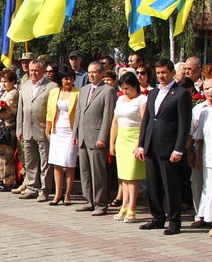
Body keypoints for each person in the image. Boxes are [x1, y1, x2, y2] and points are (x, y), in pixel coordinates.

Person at [136, 59, 191, 235]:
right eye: (158, 73)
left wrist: (179, 149)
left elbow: (184, 124)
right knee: (153, 185)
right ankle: (157, 217)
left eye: (164, 72)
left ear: (173, 73)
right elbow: (146, 121)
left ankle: (174, 221)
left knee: (170, 186)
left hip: (169, 147)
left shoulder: (181, 94)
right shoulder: (152, 94)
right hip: (151, 146)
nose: (161, 76)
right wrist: (141, 145)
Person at [74, 61, 117, 215]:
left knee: (98, 172)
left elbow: (108, 115)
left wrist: (103, 137)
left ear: (101, 73)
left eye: (94, 72)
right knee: (85, 171)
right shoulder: (83, 90)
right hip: (83, 136)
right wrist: (75, 134)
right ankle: (89, 200)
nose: (91, 75)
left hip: (97, 136)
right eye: (89, 72)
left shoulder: (108, 91)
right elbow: (79, 113)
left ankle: (101, 203)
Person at [16, 60, 58, 201]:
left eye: (36, 70)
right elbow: (21, 110)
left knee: (45, 162)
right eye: (31, 70)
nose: (33, 73)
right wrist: (19, 128)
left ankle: (45, 189)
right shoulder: (25, 86)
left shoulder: (51, 87)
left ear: (43, 71)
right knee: (30, 161)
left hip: (43, 130)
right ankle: (32, 187)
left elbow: (53, 110)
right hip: (27, 129)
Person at [110, 72, 147, 223]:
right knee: (123, 176)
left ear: (135, 86)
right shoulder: (120, 99)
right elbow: (115, 122)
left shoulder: (142, 100)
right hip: (122, 139)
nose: (126, 91)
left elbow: (145, 122)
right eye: (123, 88)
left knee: (132, 175)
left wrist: (140, 143)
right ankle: (124, 205)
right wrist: (112, 143)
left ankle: (132, 206)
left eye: (128, 88)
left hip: (135, 137)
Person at [45, 66, 79, 205]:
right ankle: (58, 193)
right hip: (57, 130)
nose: (68, 81)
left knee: (70, 164)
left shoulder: (78, 92)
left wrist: (76, 133)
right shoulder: (54, 92)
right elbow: (49, 111)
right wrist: (48, 129)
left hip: (70, 131)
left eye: (70, 78)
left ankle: (68, 195)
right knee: (57, 163)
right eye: (65, 78)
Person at [0, 70, 19, 192]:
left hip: (7, 127)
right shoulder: (4, 92)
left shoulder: (13, 93)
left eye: (6, 81)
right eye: (2, 81)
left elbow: (11, 111)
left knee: (6, 156)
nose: (3, 84)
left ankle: (8, 181)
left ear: (13, 82)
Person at [192, 79, 212, 229]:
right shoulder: (200, 109)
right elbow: (197, 136)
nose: (209, 91)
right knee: (204, 186)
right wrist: (195, 156)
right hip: (205, 154)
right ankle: (201, 214)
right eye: (206, 89)